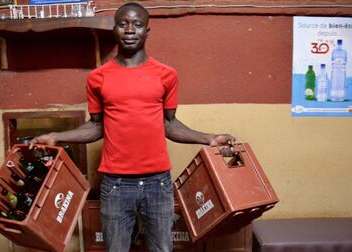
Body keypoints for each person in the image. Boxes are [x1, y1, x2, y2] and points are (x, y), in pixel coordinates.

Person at [30, 2, 236, 252]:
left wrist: (209, 138)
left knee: (162, 249)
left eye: (137, 24)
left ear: (147, 31)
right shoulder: (97, 77)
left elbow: (169, 125)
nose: (130, 30)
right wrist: (56, 136)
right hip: (116, 184)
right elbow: (96, 127)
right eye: (123, 24)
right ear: (114, 30)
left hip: (157, 183)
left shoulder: (166, 74)